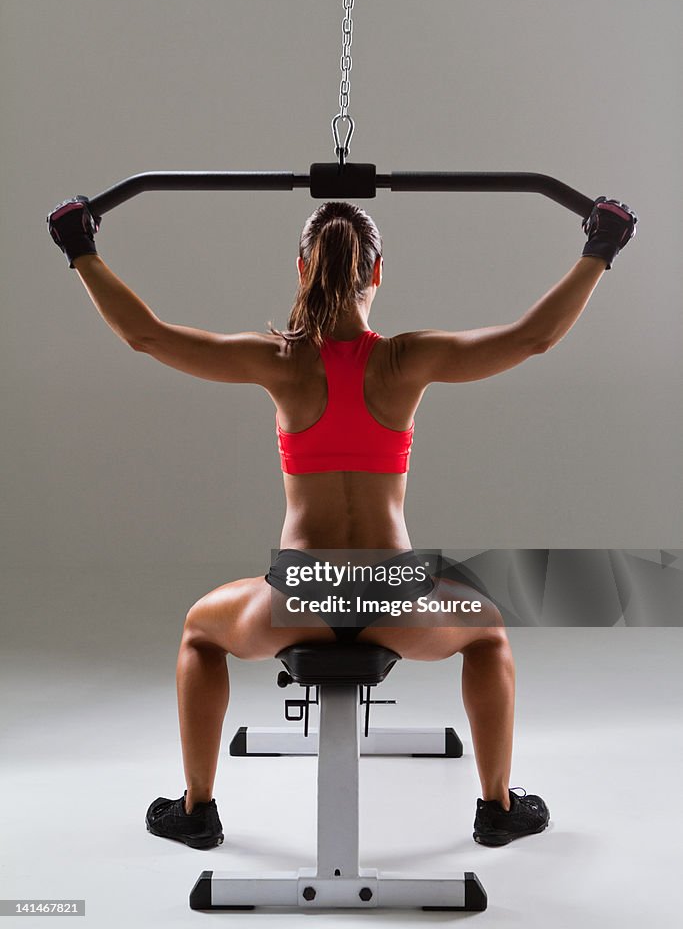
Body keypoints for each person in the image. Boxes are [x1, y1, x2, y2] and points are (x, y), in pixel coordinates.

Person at [47, 191, 637, 850]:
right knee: (488, 633)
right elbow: (532, 338)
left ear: (301, 269)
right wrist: (598, 250)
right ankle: (497, 807)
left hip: (298, 598)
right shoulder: (407, 359)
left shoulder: (279, 360)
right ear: (377, 273)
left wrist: (81, 249)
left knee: (198, 634)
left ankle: (197, 808)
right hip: (393, 598)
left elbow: (146, 335)